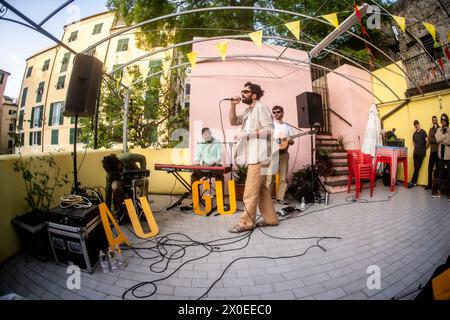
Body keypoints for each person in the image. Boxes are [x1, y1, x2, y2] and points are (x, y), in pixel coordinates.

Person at [228, 81, 278, 233]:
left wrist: (248, 133)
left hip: (260, 155)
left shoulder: (261, 108)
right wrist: (232, 105)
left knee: (250, 192)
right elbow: (233, 121)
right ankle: (271, 219)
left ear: (254, 95)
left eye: (245, 91)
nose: (242, 93)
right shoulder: (248, 111)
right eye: (242, 91)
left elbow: (270, 130)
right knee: (261, 189)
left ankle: (246, 223)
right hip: (254, 155)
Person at [102, 153, 148, 220]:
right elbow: (108, 192)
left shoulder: (126, 157)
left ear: (118, 163)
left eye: (116, 170)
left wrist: (142, 172)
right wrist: (108, 212)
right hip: (122, 181)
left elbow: (142, 157)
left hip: (134, 176)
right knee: (114, 186)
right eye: (114, 172)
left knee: (145, 180)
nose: (116, 172)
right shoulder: (110, 173)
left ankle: (144, 208)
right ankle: (123, 209)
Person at [266, 105, 294, 205]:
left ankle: (280, 198)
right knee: (270, 178)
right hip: (273, 154)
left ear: (282, 113)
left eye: (278, 112)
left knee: (283, 177)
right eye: (274, 112)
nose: (276, 114)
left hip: (284, 154)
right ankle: (267, 200)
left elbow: (291, 142)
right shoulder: (270, 126)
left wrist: (290, 141)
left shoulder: (287, 127)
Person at [191, 127, 224, 199]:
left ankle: (221, 201)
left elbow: (220, 156)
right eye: (205, 134)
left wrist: (212, 162)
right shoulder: (201, 143)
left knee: (219, 177)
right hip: (204, 167)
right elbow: (198, 155)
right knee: (194, 176)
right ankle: (196, 199)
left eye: (208, 133)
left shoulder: (217, 142)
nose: (207, 135)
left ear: (211, 133)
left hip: (215, 165)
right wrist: (197, 162)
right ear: (202, 136)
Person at [432, 113, 450, 200]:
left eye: (444, 119)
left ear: (447, 120)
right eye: (441, 119)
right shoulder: (439, 129)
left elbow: (449, 141)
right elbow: (437, 139)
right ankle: (439, 192)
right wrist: (444, 137)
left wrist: (442, 139)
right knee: (440, 175)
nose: (443, 121)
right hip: (441, 156)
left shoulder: (449, 130)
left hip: (448, 156)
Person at [409, 120, 427, 188]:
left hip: (421, 153)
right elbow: (413, 143)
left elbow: (427, 140)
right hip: (415, 153)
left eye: (417, 124)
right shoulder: (414, 134)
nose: (416, 125)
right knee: (416, 168)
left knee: (417, 167)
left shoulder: (423, 132)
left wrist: (424, 148)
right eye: (415, 125)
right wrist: (415, 147)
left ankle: (412, 182)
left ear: (419, 124)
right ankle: (415, 182)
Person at [426, 116, 440, 190]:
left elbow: (439, 139)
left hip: (438, 152)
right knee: (429, 168)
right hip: (432, 152)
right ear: (432, 121)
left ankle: (437, 186)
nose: (434, 121)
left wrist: (434, 139)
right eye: (433, 120)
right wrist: (435, 139)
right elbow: (430, 139)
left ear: (437, 120)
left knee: (438, 169)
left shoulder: (440, 129)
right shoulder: (430, 129)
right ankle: (429, 184)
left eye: (435, 120)